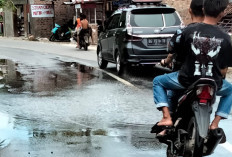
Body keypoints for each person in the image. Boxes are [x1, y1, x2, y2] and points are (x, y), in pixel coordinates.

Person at [152, 0, 232, 136]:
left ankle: (166, 117)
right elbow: (225, 67)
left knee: (158, 81)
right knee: (230, 91)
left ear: (204, 9)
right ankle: (215, 124)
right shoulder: (226, 37)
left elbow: (178, 54)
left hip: (186, 79)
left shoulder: (188, 31)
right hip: (214, 82)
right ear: (222, 13)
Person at [162, 0, 205, 112]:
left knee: (170, 94)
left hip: (184, 76)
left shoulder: (182, 33)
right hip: (208, 76)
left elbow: (171, 53)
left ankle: (168, 122)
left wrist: (165, 62)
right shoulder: (215, 33)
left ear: (190, 10)